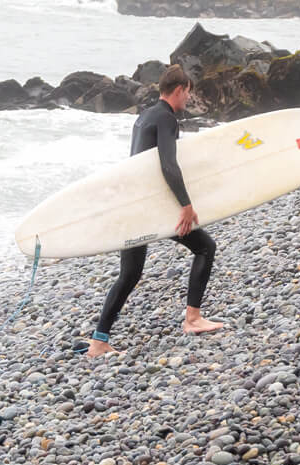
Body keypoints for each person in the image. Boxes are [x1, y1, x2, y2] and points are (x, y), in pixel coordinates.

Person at [84, 65, 225, 358]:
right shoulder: (167, 119)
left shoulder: (145, 116)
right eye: (188, 92)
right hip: (150, 207)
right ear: (178, 90)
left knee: (130, 274)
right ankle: (193, 319)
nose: (188, 98)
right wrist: (185, 206)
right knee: (205, 247)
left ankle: (99, 342)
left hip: (133, 204)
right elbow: (168, 165)